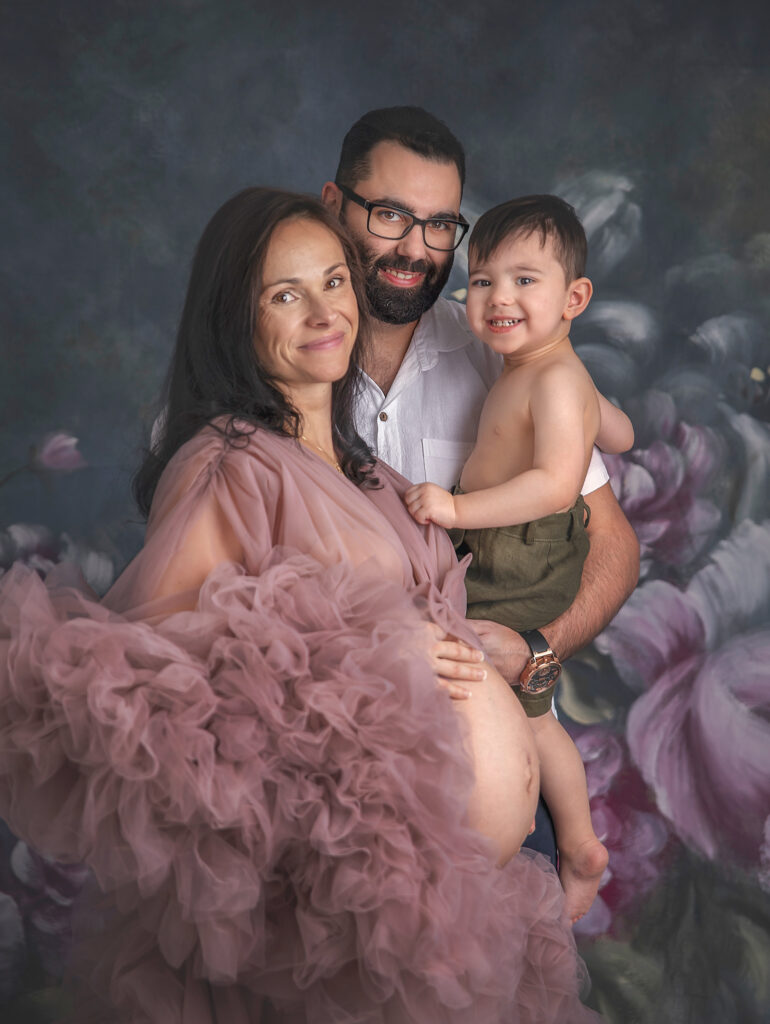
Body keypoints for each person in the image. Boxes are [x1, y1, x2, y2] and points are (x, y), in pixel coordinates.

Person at [0, 189, 601, 1023]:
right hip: (335, 922)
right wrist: (364, 645)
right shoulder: (230, 466)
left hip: (455, 902)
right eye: (286, 295)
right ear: (233, 319)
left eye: (334, 282)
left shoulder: (374, 477)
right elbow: (158, 696)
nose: (325, 312)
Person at [321, 106, 640, 865]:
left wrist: (536, 647)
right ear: (333, 206)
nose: (416, 248)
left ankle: (579, 845)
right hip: (329, 768)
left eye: (440, 225)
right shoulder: (283, 353)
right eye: (392, 215)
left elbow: (613, 547)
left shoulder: (506, 354)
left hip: (485, 771)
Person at [404, 194, 635, 921]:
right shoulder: (550, 369)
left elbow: (555, 485)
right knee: (528, 710)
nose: (498, 297)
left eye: (524, 281)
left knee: (529, 713)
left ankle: (577, 842)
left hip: (519, 552)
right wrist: (604, 415)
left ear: (575, 298)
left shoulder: (556, 379)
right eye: (481, 281)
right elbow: (619, 437)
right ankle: (573, 836)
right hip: (508, 544)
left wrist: (456, 509)